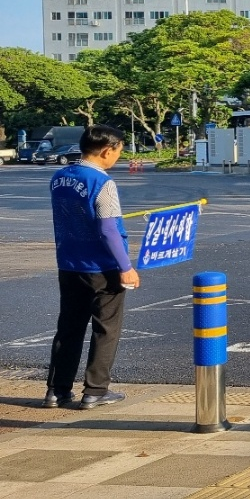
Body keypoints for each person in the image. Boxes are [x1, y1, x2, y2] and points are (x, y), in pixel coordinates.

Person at [44, 125, 138, 409]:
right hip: (103, 266)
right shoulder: (102, 182)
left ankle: (56, 391)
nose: (118, 157)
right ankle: (95, 390)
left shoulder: (59, 178)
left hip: (70, 263)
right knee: (106, 328)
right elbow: (108, 229)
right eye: (119, 151)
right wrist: (126, 266)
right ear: (108, 150)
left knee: (69, 327)